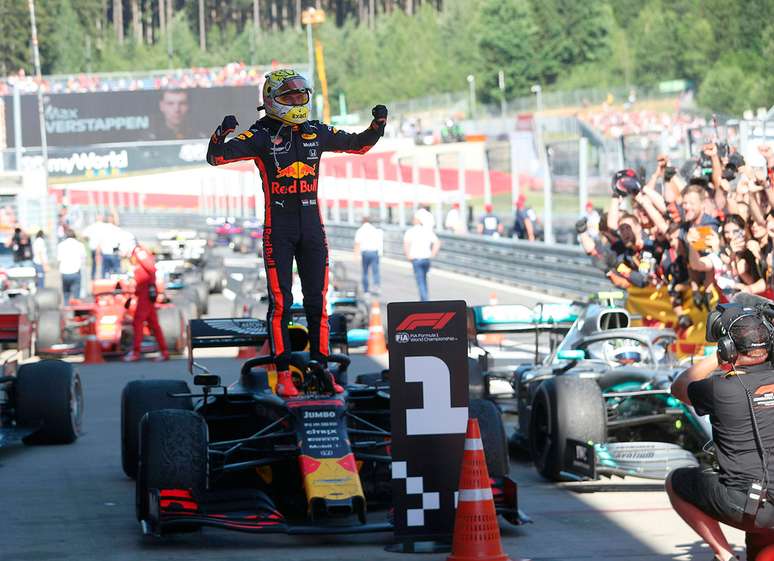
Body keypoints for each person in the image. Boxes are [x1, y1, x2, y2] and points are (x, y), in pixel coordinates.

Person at [206, 68, 387, 397]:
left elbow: (359, 145)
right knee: (281, 303)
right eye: (288, 96)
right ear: (271, 100)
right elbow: (216, 157)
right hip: (279, 228)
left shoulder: (316, 131)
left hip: (313, 229)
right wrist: (221, 133)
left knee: (318, 302)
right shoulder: (259, 135)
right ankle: (283, 374)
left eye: (300, 95)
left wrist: (377, 127)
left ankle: (321, 368)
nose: (297, 101)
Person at [668, 307, 774, 561]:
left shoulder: (718, 389)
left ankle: (725, 555)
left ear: (727, 347)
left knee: (676, 482)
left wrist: (717, 358)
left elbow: (679, 387)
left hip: (750, 507)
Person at [123, 244, 169, 363]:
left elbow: (151, 269)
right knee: (154, 324)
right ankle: (164, 351)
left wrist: (151, 287)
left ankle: (136, 352)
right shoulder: (135, 255)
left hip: (145, 294)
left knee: (138, 321)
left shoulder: (139, 253)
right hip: (143, 292)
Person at [404, 213, 441, 301]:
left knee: (420, 281)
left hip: (416, 259)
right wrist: (432, 254)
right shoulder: (427, 231)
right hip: (426, 259)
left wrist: (408, 255)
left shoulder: (410, 231)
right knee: (424, 280)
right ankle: (425, 299)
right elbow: (437, 242)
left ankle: (425, 301)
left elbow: (406, 244)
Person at [353, 216, 383, 294]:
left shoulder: (360, 230)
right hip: (374, 252)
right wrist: (380, 253)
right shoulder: (375, 230)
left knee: (365, 272)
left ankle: (366, 290)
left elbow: (357, 243)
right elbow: (379, 242)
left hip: (365, 253)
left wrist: (356, 255)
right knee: (375, 271)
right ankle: (376, 286)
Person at [56, 228, 86, 305]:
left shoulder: (61, 245)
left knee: (66, 294)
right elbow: (83, 259)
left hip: (64, 272)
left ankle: (66, 309)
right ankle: (76, 313)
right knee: (76, 296)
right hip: (76, 272)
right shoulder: (80, 245)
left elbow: (59, 259)